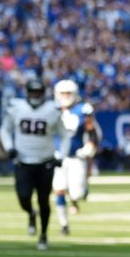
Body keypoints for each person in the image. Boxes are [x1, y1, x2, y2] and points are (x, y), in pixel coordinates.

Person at [0, 78, 69, 250]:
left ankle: (43, 235)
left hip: (45, 161)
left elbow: (64, 135)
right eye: (33, 92)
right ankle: (31, 214)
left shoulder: (52, 109)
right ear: (28, 93)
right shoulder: (17, 107)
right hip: (22, 161)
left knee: (43, 200)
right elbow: (4, 130)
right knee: (23, 198)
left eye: (38, 92)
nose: (36, 95)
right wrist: (9, 148)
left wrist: (61, 156)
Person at [52, 80, 101, 234]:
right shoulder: (52, 110)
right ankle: (64, 225)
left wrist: (91, 145)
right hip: (58, 155)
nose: (66, 96)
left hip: (76, 156)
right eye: (63, 93)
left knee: (77, 193)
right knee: (59, 189)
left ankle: (77, 196)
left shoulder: (82, 109)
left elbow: (91, 130)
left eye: (68, 93)